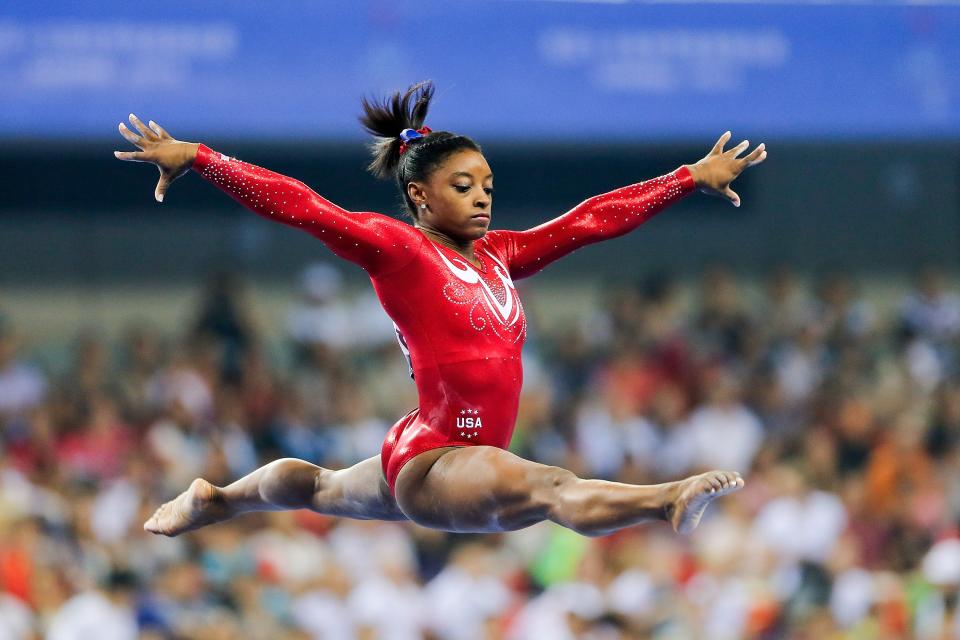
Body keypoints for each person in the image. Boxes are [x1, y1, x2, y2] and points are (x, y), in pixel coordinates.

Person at [115, 81, 766, 538]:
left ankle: (218, 498)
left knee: (319, 488)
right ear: (420, 196)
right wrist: (203, 159)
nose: (482, 198)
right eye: (463, 186)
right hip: (440, 457)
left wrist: (684, 178)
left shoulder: (500, 256)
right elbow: (303, 205)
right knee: (552, 489)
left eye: (486, 185)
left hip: (431, 445)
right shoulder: (400, 250)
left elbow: (591, 220)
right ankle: (668, 500)